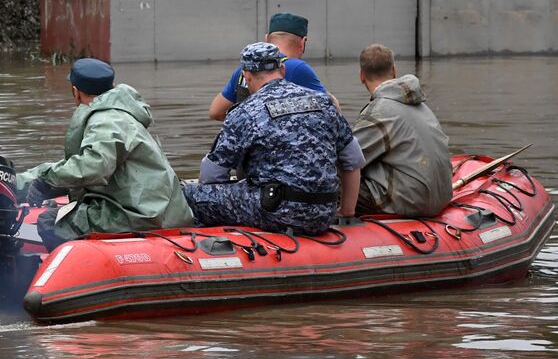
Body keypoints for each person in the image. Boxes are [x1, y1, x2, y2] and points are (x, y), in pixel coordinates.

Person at [185, 42, 364, 236]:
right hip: (323, 213)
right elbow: (353, 160)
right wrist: (346, 211)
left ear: (246, 76)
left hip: (275, 212)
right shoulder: (323, 102)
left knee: (190, 194)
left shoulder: (246, 111)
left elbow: (212, 176)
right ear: (283, 69)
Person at [18, 58, 195, 250]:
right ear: (112, 86)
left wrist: (47, 180)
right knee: (64, 214)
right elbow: (83, 163)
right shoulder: (121, 114)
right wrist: (24, 180)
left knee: (51, 222)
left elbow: (93, 166)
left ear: (76, 92)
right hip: (153, 209)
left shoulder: (106, 120)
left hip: (141, 215)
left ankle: (77, 271)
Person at [353, 44, 452, 217]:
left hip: (408, 202)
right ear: (394, 70)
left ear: (361, 75)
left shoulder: (378, 112)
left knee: (332, 177)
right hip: (441, 197)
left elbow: (347, 159)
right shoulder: (422, 105)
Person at [208, 12, 339, 121]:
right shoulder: (297, 68)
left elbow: (216, 112)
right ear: (303, 42)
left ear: (267, 39)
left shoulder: (245, 71)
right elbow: (334, 110)